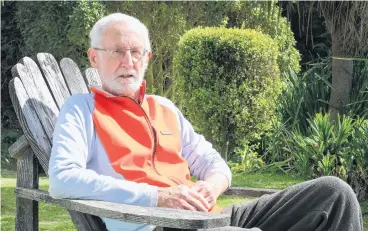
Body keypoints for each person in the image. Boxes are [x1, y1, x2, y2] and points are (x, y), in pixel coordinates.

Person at [48, 13, 363, 231]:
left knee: (335, 194)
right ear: (94, 57)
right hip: (157, 223)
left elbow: (215, 163)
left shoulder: (164, 107)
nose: (128, 62)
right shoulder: (81, 110)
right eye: (117, 51)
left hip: (209, 217)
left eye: (136, 52)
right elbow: (63, 179)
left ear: (147, 58)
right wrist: (157, 197)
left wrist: (210, 187)